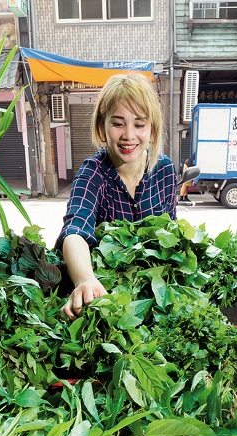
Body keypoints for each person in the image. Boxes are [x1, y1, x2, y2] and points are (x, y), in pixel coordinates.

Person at [56, 72, 178, 320]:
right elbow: (75, 230)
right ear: (102, 127)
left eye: (140, 124)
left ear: (152, 129)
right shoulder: (93, 173)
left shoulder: (164, 170)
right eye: (118, 123)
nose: (129, 135)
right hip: (105, 299)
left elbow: (171, 236)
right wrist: (86, 280)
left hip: (152, 300)